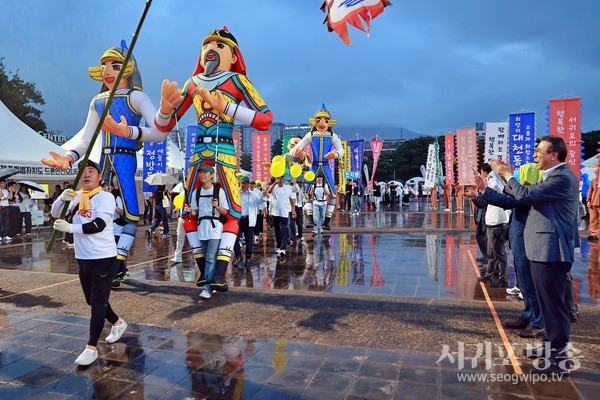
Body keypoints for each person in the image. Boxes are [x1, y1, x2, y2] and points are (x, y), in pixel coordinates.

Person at [155, 27, 273, 286]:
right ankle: (204, 272)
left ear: (233, 56)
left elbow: (266, 119)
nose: (211, 49)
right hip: (198, 155)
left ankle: (219, 272)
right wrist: (164, 109)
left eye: (219, 46)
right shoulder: (192, 83)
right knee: (188, 213)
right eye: (207, 44)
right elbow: (164, 126)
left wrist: (227, 107)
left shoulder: (238, 81)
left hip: (226, 153)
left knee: (232, 211)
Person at [41, 42, 167, 283]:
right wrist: (69, 157)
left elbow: (159, 133)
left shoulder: (136, 97)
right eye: (104, 66)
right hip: (102, 159)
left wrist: (131, 130)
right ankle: (111, 261)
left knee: (131, 212)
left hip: (125, 157)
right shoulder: (97, 100)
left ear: (129, 69)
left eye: (115, 66)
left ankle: (117, 261)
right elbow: (86, 138)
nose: (108, 71)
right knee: (93, 208)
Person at [492, 135, 579, 376]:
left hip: (551, 251)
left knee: (554, 306)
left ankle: (559, 359)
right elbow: (525, 196)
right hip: (542, 249)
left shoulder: (561, 177)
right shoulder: (552, 176)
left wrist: (508, 175)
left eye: (540, 151)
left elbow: (526, 196)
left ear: (554, 155)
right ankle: (550, 347)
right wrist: (505, 177)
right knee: (547, 304)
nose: (535, 155)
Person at [51, 160, 128, 366]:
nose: (86, 175)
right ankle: (118, 323)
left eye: (91, 171)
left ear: (99, 177)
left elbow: (98, 225)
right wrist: (61, 198)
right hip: (83, 256)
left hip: (104, 257)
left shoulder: (106, 197)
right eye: (83, 172)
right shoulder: (76, 197)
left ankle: (91, 348)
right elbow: (55, 214)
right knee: (91, 300)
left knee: (97, 302)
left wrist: (70, 229)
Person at [289, 105, 343, 230]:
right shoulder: (311, 135)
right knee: (306, 194)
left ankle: (327, 221)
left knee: (334, 195)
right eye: (319, 120)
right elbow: (297, 148)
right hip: (314, 165)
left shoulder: (333, 136)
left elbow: (341, 150)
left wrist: (335, 154)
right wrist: (295, 153)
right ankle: (309, 218)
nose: (322, 123)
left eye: (325, 120)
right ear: (315, 122)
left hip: (325, 166)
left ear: (330, 122)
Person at [187, 165, 229, 296]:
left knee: (211, 258)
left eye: (205, 173)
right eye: (201, 173)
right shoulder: (196, 192)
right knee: (207, 258)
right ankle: (213, 282)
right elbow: (195, 212)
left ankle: (207, 288)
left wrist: (217, 207)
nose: (202, 175)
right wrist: (190, 211)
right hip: (202, 228)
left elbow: (225, 211)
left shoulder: (219, 191)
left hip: (215, 228)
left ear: (212, 175)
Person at [234, 176, 262, 266]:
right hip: (238, 219)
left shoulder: (253, 194)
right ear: (240, 183)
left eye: (246, 183)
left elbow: (261, 201)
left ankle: (248, 257)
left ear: (249, 184)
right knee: (235, 239)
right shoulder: (236, 193)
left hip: (248, 219)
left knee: (249, 239)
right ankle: (238, 256)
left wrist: (265, 194)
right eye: (243, 183)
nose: (244, 185)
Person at [267, 176, 296, 257]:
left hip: (284, 212)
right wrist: (274, 183)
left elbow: (291, 200)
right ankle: (279, 245)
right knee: (277, 231)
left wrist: (293, 210)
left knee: (285, 229)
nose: (281, 180)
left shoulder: (288, 188)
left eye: (282, 179)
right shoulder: (274, 187)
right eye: (279, 179)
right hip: (275, 213)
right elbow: (268, 192)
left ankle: (283, 248)